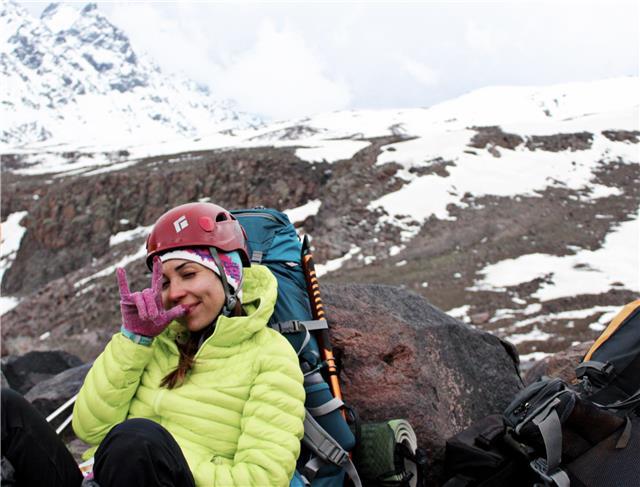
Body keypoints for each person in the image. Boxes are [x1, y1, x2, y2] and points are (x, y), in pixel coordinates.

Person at [2, 202, 306, 487]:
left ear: (230, 274)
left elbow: (262, 479)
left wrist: (165, 460)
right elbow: (89, 427)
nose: (175, 292)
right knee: (6, 407)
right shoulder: (155, 341)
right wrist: (134, 340)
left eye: (188, 274)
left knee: (136, 441)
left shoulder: (270, 355)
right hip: (105, 476)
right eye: (164, 282)